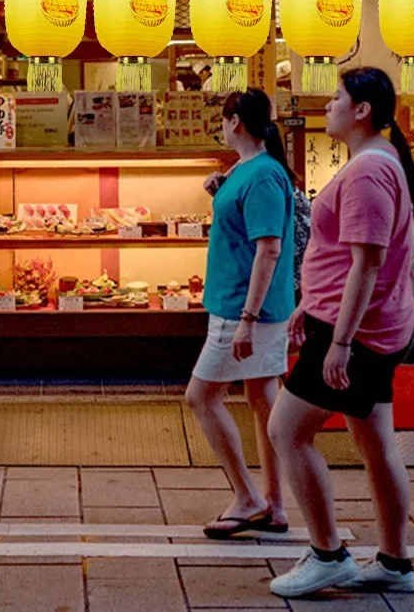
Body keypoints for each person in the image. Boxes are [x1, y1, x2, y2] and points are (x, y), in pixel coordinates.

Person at [268, 67, 414, 599]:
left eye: (337, 97)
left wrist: (336, 340)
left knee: (286, 430)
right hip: (359, 323)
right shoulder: (377, 164)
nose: (328, 105)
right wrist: (309, 304)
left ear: (361, 111)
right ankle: (395, 564)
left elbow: (368, 263)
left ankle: (329, 553)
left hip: (356, 332)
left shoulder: (367, 173)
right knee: (376, 441)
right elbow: (347, 258)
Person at [186, 88, 296, 539]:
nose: (221, 123)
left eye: (224, 116)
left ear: (237, 123)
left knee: (201, 396)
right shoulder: (250, 170)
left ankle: (248, 496)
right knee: (261, 399)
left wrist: (248, 319)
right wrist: (220, 186)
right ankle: (274, 504)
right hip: (247, 306)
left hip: (244, 309)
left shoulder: (264, 176)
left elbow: (268, 249)